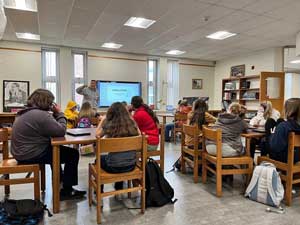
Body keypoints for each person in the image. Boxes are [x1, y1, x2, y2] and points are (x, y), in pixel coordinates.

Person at [11, 89, 85, 200]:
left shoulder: (25, 112)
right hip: (30, 154)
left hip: (20, 153)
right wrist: (60, 113)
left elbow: (50, 128)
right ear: (46, 102)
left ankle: (60, 181)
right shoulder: (40, 115)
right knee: (72, 154)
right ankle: (67, 190)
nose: (52, 105)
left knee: (56, 150)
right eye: (51, 102)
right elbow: (60, 131)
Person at [96, 102, 140, 191]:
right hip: (131, 165)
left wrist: (102, 121)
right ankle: (118, 185)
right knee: (120, 157)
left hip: (113, 166)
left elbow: (97, 135)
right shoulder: (132, 124)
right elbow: (140, 136)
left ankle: (99, 191)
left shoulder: (108, 126)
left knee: (98, 159)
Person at [269, 98, 300, 163]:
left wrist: (272, 135)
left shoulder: (283, 126)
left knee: (267, 141)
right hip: (297, 155)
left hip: (286, 158)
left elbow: (275, 147)